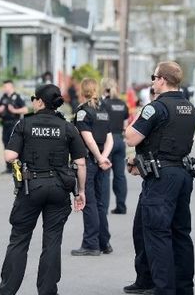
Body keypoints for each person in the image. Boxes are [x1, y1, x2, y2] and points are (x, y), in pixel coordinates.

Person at [0, 84, 87, 295]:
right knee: (52, 241)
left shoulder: (25, 124)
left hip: (31, 187)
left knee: (19, 239)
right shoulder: (67, 127)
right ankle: (47, 291)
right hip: (59, 189)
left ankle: (8, 290)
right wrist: (80, 191)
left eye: (33, 98)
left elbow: (9, 156)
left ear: (39, 101)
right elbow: (81, 163)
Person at [124, 61, 195, 295]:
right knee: (179, 232)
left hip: (162, 178)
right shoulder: (190, 108)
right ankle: (183, 287)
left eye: (154, 77)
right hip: (182, 173)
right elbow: (168, 140)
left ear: (162, 80)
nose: (152, 81)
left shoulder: (155, 107)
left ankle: (164, 288)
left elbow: (131, 138)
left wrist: (136, 117)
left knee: (157, 232)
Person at [71, 78, 113, 256]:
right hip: (103, 161)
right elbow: (110, 137)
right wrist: (104, 157)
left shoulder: (82, 112)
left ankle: (91, 244)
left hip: (89, 161)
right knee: (101, 203)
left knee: (88, 201)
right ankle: (104, 243)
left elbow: (88, 139)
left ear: (83, 91)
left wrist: (97, 158)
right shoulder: (103, 110)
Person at [101, 77, 129, 215]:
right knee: (120, 175)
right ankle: (121, 206)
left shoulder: (103, 104)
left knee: (105, 175)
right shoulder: (123, 104)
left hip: (107, 140)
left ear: (103, 88)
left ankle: (104, 207)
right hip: (120, 140)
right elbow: (125, 125)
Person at [0, 80, 28, 174]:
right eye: (4, 87)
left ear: (11, 87)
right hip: (5, 124)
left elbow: (25, 110)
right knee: (6, 144)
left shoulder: (17, 97)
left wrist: (14, 110)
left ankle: (16, 167)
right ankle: (8, 167)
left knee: (14, 145)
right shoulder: (3, 97)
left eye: (6, 87)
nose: (4, 89)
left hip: (14, 124)